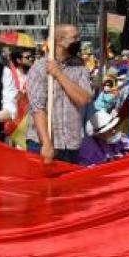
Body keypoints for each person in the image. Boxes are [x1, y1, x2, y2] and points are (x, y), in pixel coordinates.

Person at [27, 23, 92, 164]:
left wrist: (59, 74)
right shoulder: (39, 68)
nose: (78, 41)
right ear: (60, 41)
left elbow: (83, 99)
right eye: (74, 37)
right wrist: (46, 143)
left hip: (71, 143)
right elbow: (38, 109)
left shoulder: (79, 66)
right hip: (45, 142)